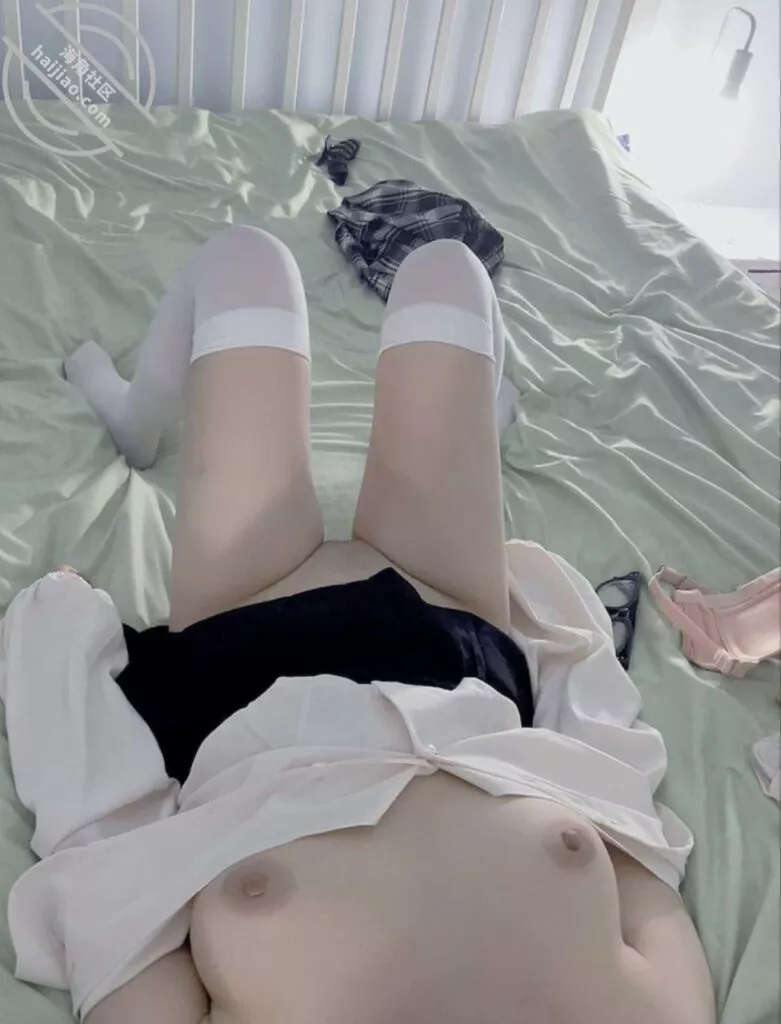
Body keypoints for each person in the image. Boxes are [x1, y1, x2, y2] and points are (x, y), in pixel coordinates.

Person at [0, 228, 715, 1024]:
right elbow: (621, 803)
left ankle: (139, 414)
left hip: (244, 658)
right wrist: (559, 630)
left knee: (246, 267)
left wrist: (62, 640)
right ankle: (473, 424)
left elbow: (109, 873)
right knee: (449, 273)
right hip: (458, 649)